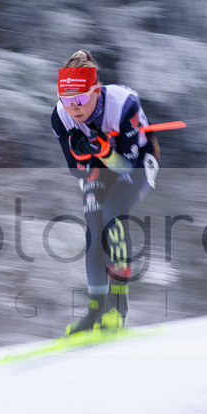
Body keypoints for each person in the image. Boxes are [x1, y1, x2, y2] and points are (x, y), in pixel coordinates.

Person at [51, 49, 159, 336]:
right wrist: (83, 155)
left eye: (80, 99)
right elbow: (77, 171)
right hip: (100, 162)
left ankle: (118, 307)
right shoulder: (60, 117)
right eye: (66, 100)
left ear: (96, 90)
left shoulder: (124, 105)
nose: (74, 108)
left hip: (137, 159)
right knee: (94, 225)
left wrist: (103, 150)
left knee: (113, 212)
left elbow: (126, 166)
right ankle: (95, 311)